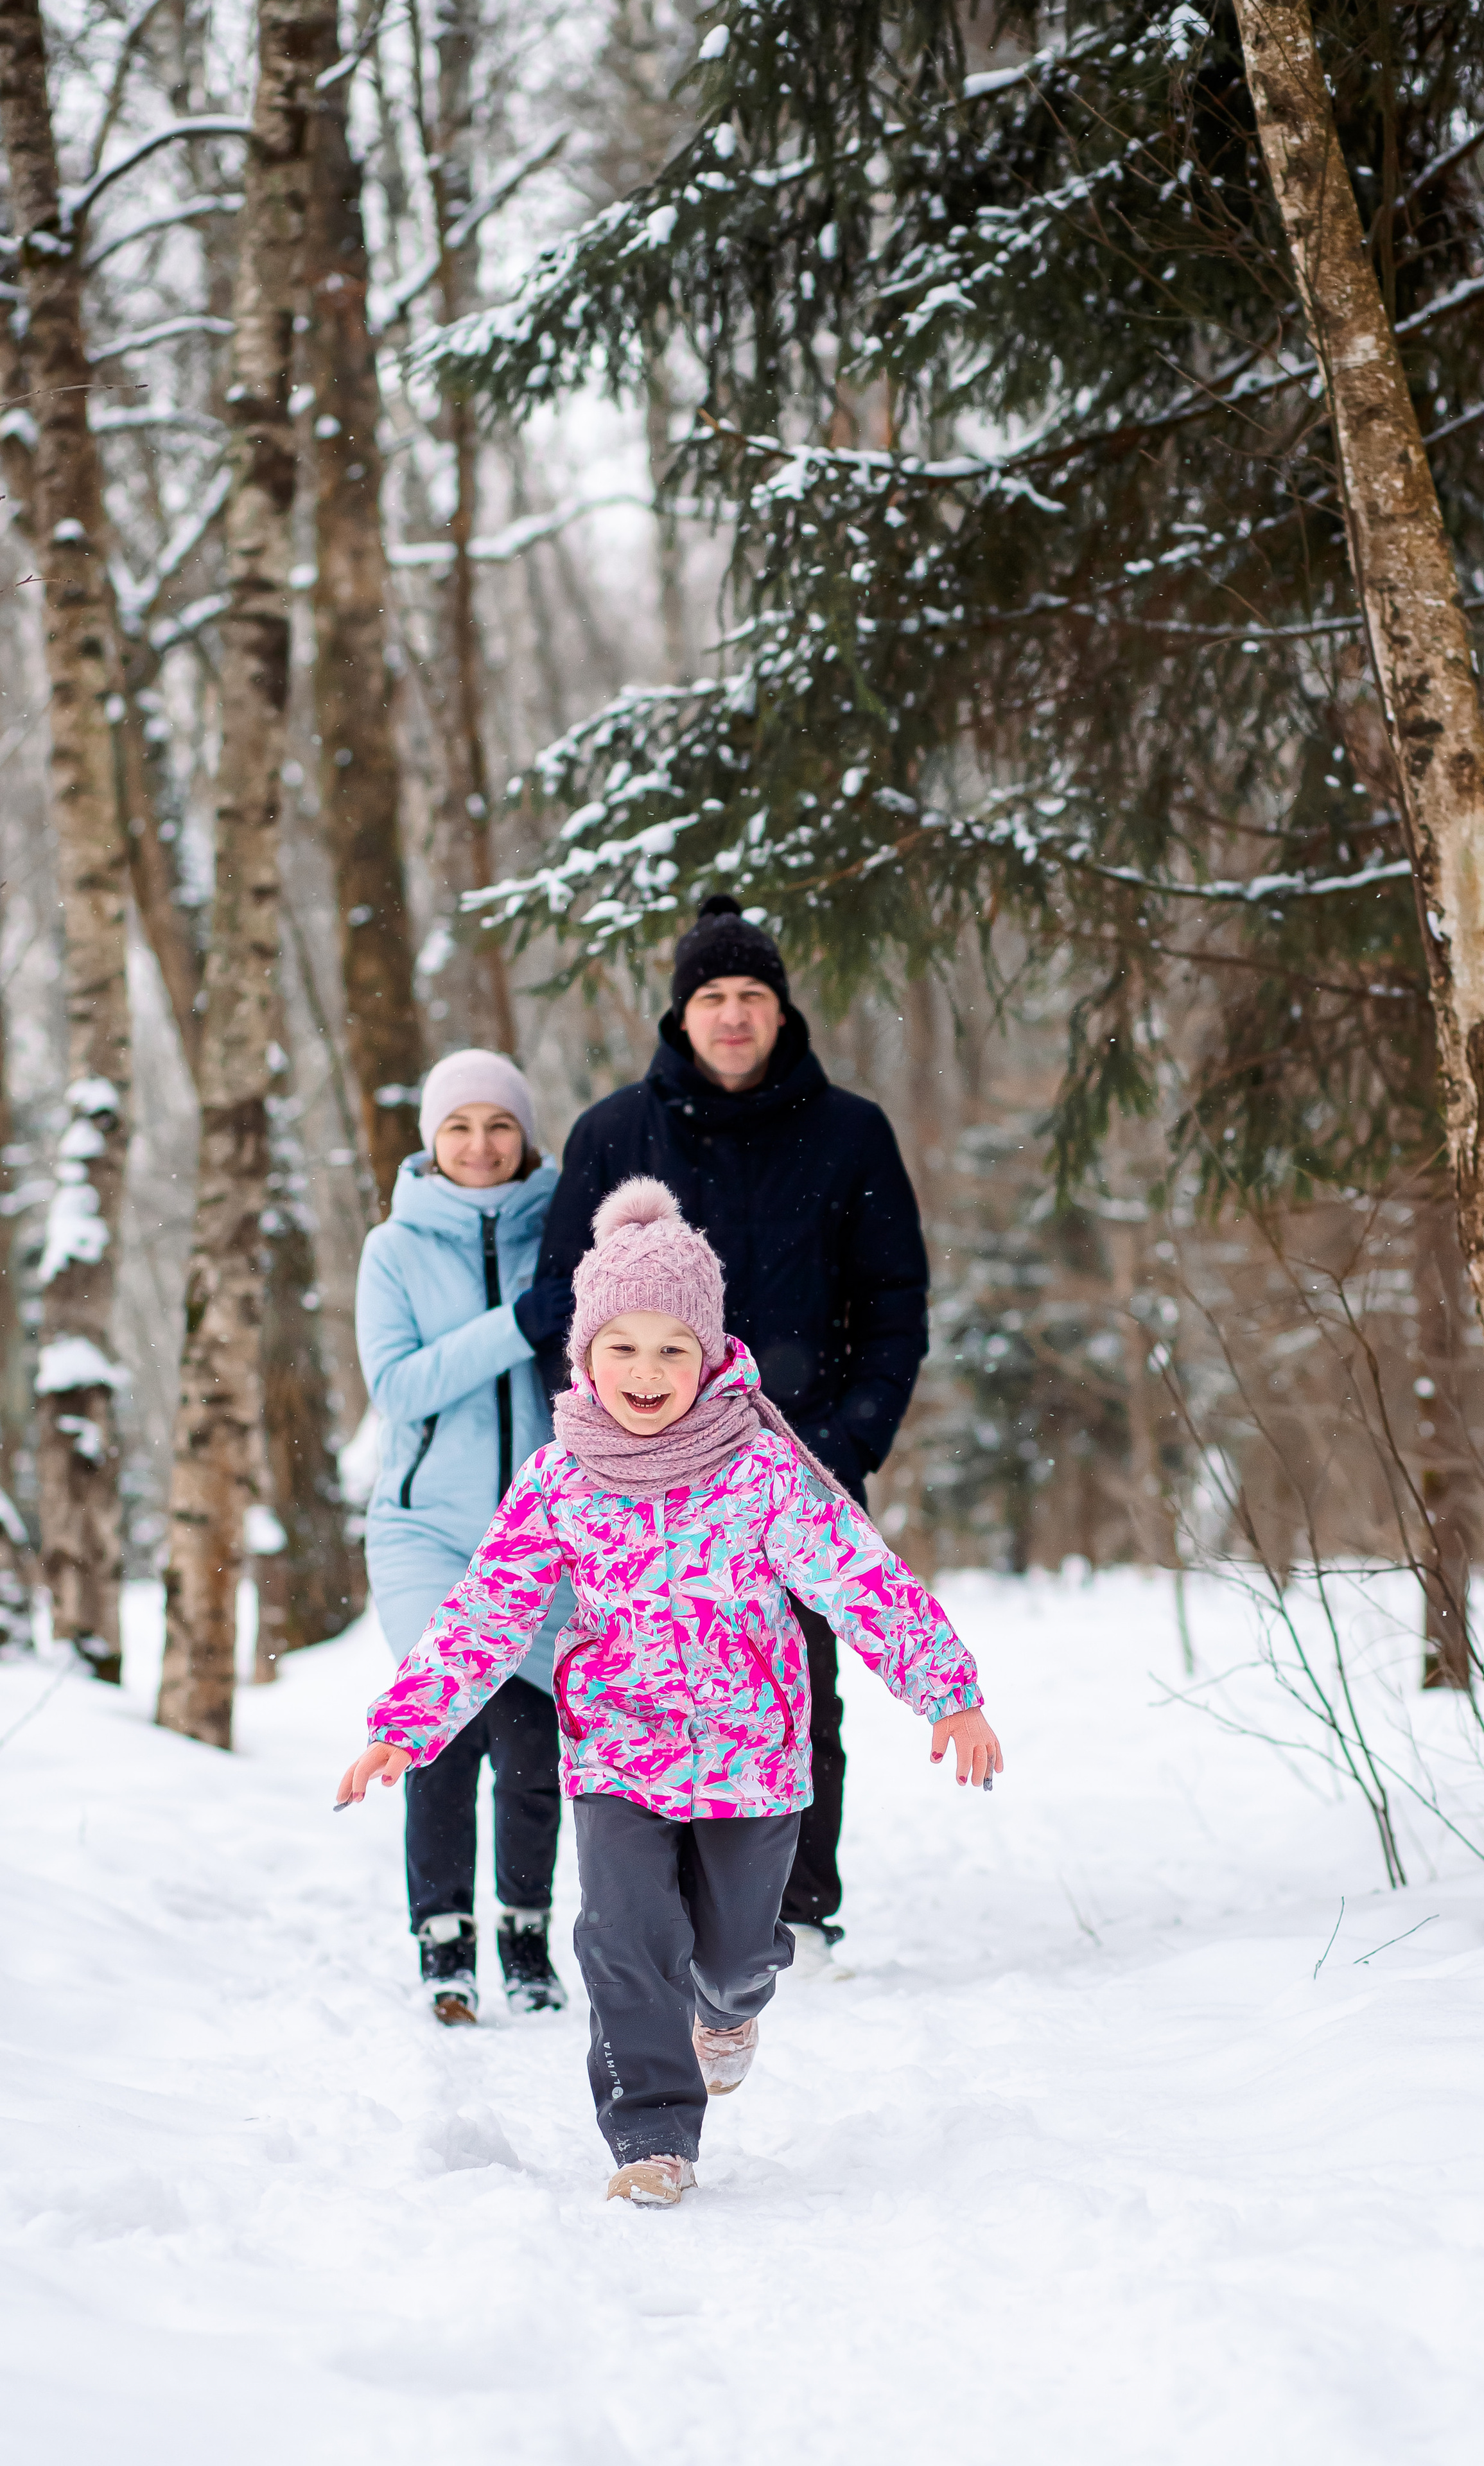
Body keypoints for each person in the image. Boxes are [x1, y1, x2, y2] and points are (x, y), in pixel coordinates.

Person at [337, 1180, 1001, 2205]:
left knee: (736, 1951)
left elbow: (862, 1579)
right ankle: (651, 2136)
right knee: (621, 1938)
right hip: (616, 1750)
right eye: (622, 1348)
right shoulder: (559, 1480)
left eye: (671, 1350)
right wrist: (406, 1725)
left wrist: (946, 1693)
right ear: (584, 1356)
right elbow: (486, 1612)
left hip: (753, 1759)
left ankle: (729, 2008)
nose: (646, 1372)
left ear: (709, 1356)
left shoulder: (761, 1468)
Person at [515, 895, 929, 1976]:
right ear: (681, 1012)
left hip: (800, 1465)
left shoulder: (852, 1133)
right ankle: (664, 1908)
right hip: (633, 1473)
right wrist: (604, 1427)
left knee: (799, 1684)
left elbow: (895, 1305)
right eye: (713, 997)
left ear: (782, 1011)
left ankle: (795, 1907)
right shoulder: (613, 1132)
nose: (734, 1016)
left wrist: (846, 1441)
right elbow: (562, 1295)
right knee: (641, 1683)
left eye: (752, 996)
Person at [354, 1049, 575, 2025]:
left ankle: (525, 1935)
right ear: (431, 1143)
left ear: (523, 1136)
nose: (480, 1145)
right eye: (459, 1127)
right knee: (440, 1727)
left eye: (498, 1125)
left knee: (534, 1744)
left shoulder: (567, 1237)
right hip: (423, 1532)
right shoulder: (392, 1250)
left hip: (539, 1540)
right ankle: (444, 1940)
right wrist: (516, 1324)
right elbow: (397, 1386)